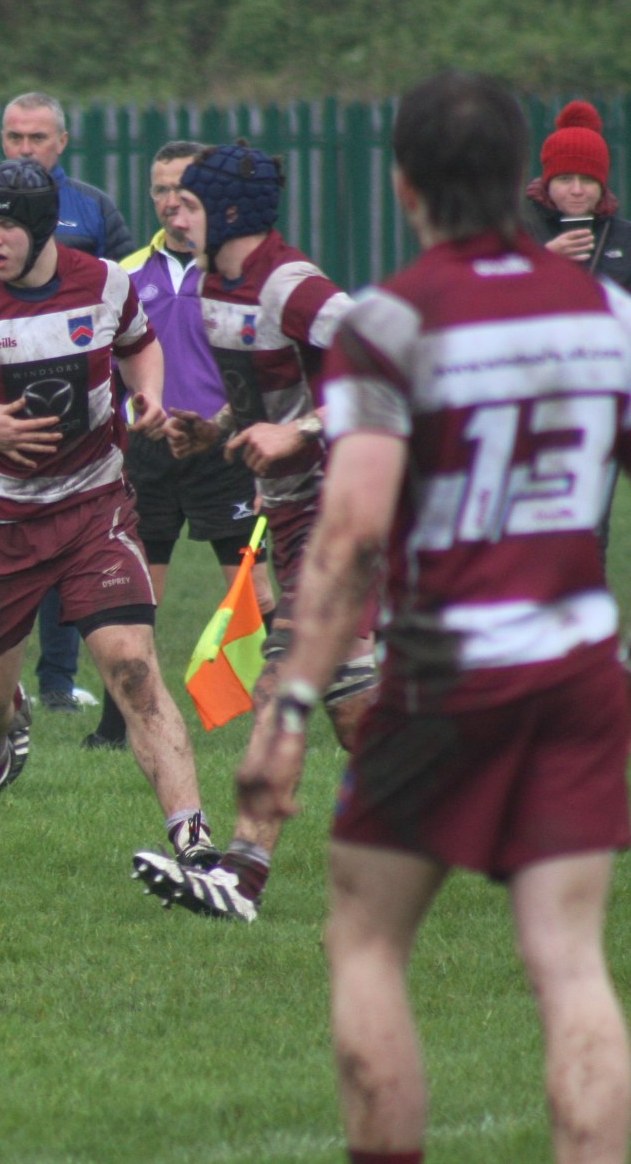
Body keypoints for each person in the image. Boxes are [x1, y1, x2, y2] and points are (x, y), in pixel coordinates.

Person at [235, 70, 631, 1164]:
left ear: (403, 184)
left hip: (445, 673)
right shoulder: (608, 314)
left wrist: (289, 708)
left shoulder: (392, 320)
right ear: (519, 181)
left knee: (365, 939)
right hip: (578, 673)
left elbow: (351, 533)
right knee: (568, 960)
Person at [0, 158, 215, 866]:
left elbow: (139, 346)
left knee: (132, 668)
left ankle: (195, 845)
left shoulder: (103, 283)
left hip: (95, 508)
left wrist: (149, 395)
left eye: (6, 225)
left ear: (41, 229)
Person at [135, 142, 374, 920]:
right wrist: (218, 428)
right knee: (353, 706)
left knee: (283, 680)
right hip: (299, 509)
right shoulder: (215, 284)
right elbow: (264, 395)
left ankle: (239, 875)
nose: (176, 215)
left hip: (349, 501)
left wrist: (301, 430)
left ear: (230, 213)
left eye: (190, 204)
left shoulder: (291, 286)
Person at [84, 142, 264, 750]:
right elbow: (110, 364)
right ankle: (115, 729)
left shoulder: (239, 274)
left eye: (182, 190)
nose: (170, 202)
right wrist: (133, 416)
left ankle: (277, 715)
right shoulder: (126, 274)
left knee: (255, 591)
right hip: (150, 450)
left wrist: (230, 424)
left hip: (226, 448)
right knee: (136, 594)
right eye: (160, 189)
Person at [0, 91, 136, 713]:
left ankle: (57, 680)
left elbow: (125, 294)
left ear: (62, 141)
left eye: (38, 138)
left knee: (66, 534)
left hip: (77, 397)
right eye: (15, 137)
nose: (25, 149)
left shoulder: (93, 209)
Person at [522, 100, 631, 290]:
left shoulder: (625, 237)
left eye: (588, 180)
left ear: (602, 185)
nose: (577, 190)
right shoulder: (517, 232)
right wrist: (545, 258)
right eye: (565, 179)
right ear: (548, 183)